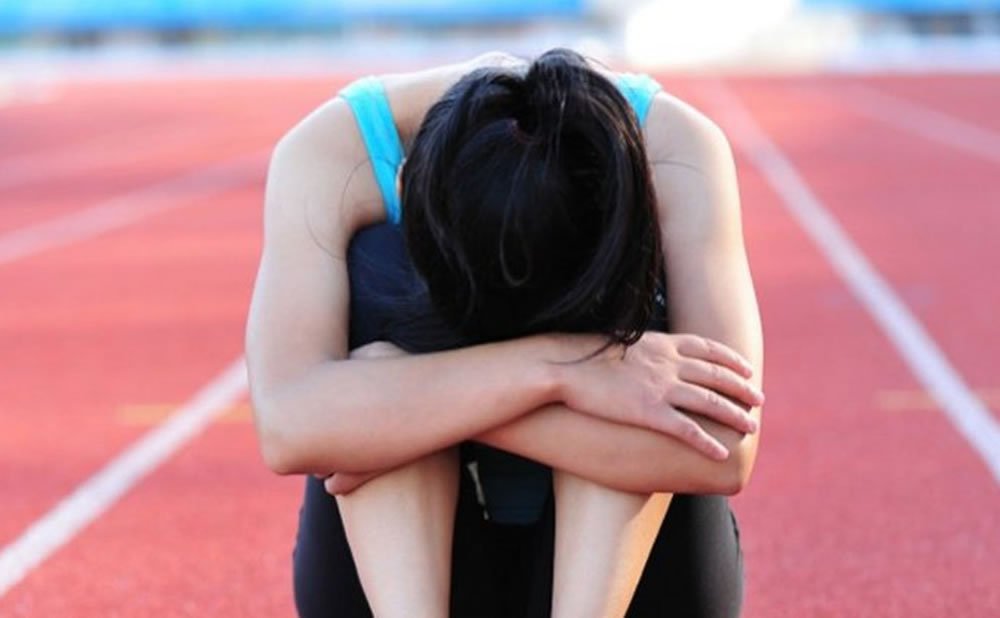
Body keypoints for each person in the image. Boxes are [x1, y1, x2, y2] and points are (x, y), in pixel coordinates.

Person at [245, 48, 764, 617]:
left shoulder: (673, 151)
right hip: (408, 574)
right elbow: (288, 425)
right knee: (378, 265)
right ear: (408, 181)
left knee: (653, 348)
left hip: (628, 584)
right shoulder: (332, 155)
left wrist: (401, 402)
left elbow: (725, 450)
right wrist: (562, 370)